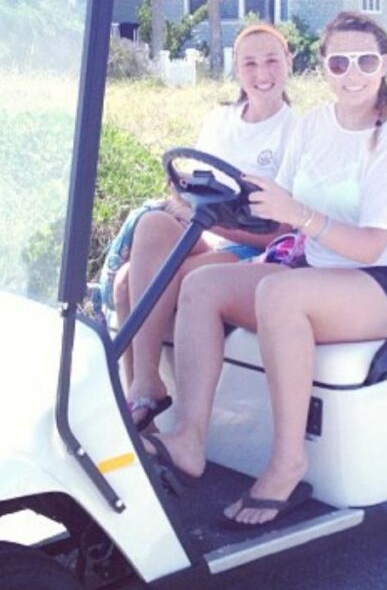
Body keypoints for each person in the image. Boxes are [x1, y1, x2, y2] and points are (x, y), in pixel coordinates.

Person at [142, 11, 387, 529]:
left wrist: (299, 216)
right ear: (323, 66)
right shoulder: (316, 124)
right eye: (339, 61)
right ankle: (188, 437)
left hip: (385, 281)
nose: (353, 72)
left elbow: (367, 246)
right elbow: (280, 200)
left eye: (366, 60)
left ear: (385, 64)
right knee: (203, 284)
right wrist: (213, 201)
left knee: (281, 294)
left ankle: (287, 462)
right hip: (317, 268)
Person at [102, 22, 296, 430]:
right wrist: (181, 201)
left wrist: (207, 221)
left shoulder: (297, 131)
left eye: (271, 61)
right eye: (250, 63)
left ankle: (142, 398)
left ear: (288, 63)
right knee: (152, 227)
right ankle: (143, 389)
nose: (262, 73)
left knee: (127, 285)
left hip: (255, 247)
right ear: (237, 70)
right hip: (206, 234)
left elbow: (282, 229)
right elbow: (193, 189)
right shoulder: (220, 120)